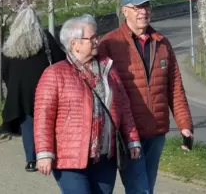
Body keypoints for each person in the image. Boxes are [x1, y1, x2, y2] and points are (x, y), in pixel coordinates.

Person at [98, 0, 194, 194]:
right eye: (137, 7)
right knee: (140, 189)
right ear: (125, 10)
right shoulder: (110, 44)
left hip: (155, 130)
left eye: (147, 6)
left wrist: (185, 124)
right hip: (127, 133)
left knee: (147, 186)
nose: (144, 12)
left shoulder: (162, 43)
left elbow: (175, 87)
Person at [34, 15, 141, 194]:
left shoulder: (108, 69)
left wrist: (132, 140)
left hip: (105, 156)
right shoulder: (54, 74)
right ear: (74, 43)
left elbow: (123, 107)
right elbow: (43, 117)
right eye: (91, 38)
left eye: (96, 36)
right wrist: (44, 153)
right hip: (70, 158)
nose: (97, 41)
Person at [2, 6, 66, 172]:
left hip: (20, 90)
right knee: (47, 120)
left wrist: (10, 87)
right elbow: (61, 59)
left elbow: (5, 69)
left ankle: (31, 159)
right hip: (42, 85)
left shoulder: (11, 41)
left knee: (28, 123)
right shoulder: (45, 38)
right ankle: (46, 154)